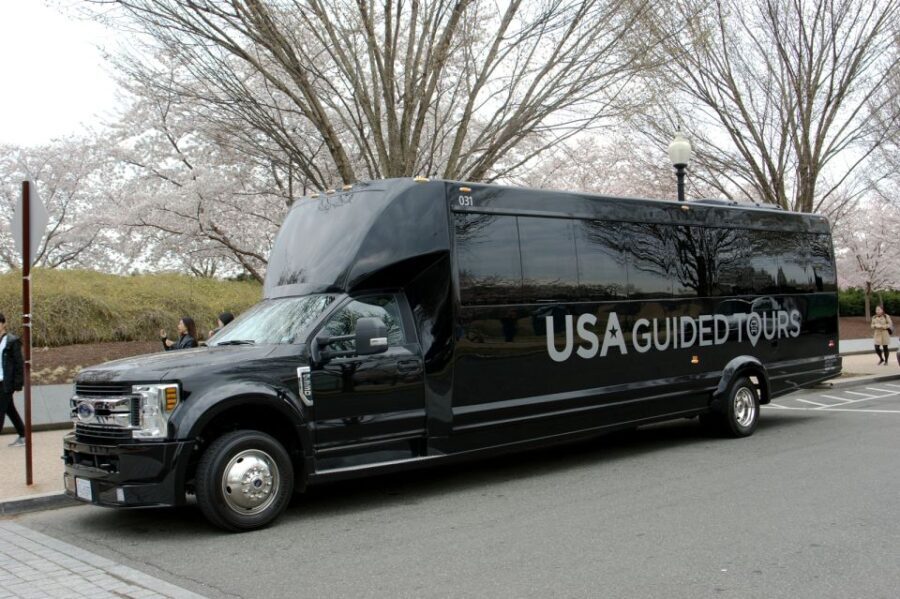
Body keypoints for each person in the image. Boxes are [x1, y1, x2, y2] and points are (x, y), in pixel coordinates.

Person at [0, 313, 26, 447]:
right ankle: (23, 434)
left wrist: (18, 383)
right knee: (10, 409)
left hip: (6, 382)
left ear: (3, 324)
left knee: (0, 409)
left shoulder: (12, 341)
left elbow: (18, 363)